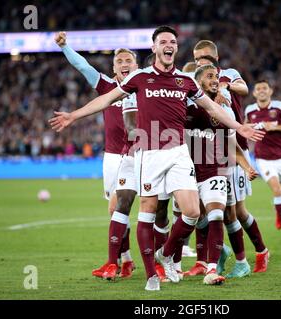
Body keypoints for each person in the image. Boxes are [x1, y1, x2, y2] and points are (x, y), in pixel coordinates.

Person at [49, 25, 264, 291]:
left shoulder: (186, 82)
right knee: (148, 212)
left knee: (193, 212)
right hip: (149, 153)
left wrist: (238, 127)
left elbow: (210, 107)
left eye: (172, 41)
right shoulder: (140, 77)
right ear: (154, 48)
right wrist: (73, 115)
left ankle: (167, 253)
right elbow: (106, 100)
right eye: (163, 41)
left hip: (178, 152)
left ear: (175, 47)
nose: (168, 44)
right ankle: (152, 274)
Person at [54, 32, 136, 278]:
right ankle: (126, 260)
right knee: (115, 210)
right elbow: (82, 65)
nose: (123, 64)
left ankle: (164, 260)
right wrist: (65, 46)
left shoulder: (145, 85)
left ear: (136, 65)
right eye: (119, 61)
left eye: (128, 60)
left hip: (142, 153)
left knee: (155, 206)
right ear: (113, 67)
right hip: (113, 156)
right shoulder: (107, 86)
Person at [193, 41, 269, 271]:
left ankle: (254, 254)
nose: (201, 61)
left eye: (205, 57)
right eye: (197, 58)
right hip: (205, 150)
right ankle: (217, 252)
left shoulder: (227, 75)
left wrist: (220, 86)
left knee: (234, 211)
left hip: (231, 146)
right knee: (200, 208)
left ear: (216, 57)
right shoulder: (197, 78)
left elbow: (244, 89)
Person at [245, 80, 281, 244]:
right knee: (277, 190)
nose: (261, 91)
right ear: (254, 93)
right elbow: (244, 128)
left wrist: (275, 127)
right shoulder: (250, 111)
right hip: (263, 159)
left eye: (264, 88)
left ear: (271, 91)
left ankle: (280, 210)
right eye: (258, 89)